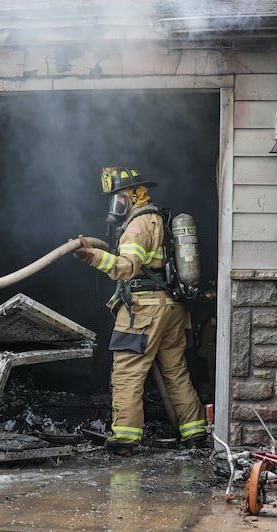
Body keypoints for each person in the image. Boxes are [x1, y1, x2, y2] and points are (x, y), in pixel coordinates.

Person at [74, 166, 207, 455]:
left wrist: (92, 256)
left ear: (134, 194)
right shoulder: (159, 217)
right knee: (175, 371)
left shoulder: (136, 225)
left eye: (118, 197)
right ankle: (195, 432)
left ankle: (125, 437)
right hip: (171, 308)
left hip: (143, 311)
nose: (115, 203)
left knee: (127, 371)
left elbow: (126, 267)